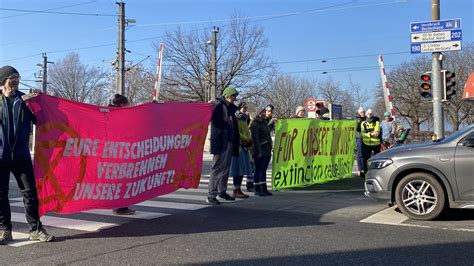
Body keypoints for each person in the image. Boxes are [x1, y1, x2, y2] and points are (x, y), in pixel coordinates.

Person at [0, 65, 54, 244]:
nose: (16, 80)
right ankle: (5, 230)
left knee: (30, 192)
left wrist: (37, 101)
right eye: (12, 77)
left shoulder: (25, 100)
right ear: (3, 80)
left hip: (21, 154)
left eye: (17, 77)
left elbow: (40, 119)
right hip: (1, 156)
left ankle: (36, 229)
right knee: (1, 194)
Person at [207, 86, 240, 205]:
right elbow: (209, 117)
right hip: (220, 141)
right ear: (227, 95)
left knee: (226, 168)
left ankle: (222, 191)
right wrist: (209, 107)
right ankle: (211, 194)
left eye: (235, 96)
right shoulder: (218, 106)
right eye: (232, 96)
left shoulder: (231, 109)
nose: (234, 98)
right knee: (217, 168)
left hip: (229, 141)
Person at [108, 94, 136, 215]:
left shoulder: (108, 115)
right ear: (123, 105)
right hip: (118, 154)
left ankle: (120, 206)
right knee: (122, 181)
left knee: (120, 181)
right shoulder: (118, 117)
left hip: (117, 153)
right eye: (128, 104)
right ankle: (120, 207)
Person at [229, 102, 252, 199]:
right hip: (238, 144)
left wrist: (249, 139)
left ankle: (239, 189)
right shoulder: (236, 117)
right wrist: (246, 138)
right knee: (237, 168)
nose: (244, 109)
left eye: (245, 107)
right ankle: (235, 189)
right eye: (243, 107)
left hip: (244, 145)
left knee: (243, 168)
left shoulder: (245, 118)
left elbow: (247, 130)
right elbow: (236, 131)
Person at [250, 106, 273, 196]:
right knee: (258, 169)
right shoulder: (255, 124)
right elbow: (255, 139)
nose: (264, 113)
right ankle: (257, 188)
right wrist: (258, 151)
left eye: (264, 112)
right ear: (258, 113)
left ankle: (264, 188)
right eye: (262, 112)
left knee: (263, 170)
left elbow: (268, 135)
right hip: (260, 149)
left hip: (267, 149)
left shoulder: (264, 123)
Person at [360, 109, 381, 175]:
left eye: (371, 114)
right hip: (366, 143)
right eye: (368, 114)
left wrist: (369, 132)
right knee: (365, 159)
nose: (370, 115)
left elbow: (377, 132)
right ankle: (366, 172)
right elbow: (363, 134)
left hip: (376, 143)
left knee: (378, 159)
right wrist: (370, 134)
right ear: (366, 114)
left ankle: (378, 172)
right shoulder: (363, 123)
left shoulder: (376, 122)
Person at [355, 107, 366, 177]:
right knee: (360, 153)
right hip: (359, 138)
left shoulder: (365, 119)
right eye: (362, 112)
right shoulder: (357, 120)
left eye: (364, 112)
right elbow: (357, 129)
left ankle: (364, 168)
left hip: (365, 138)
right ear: (359, 113)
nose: (363, 114)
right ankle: (359, 169)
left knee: (365, 154)